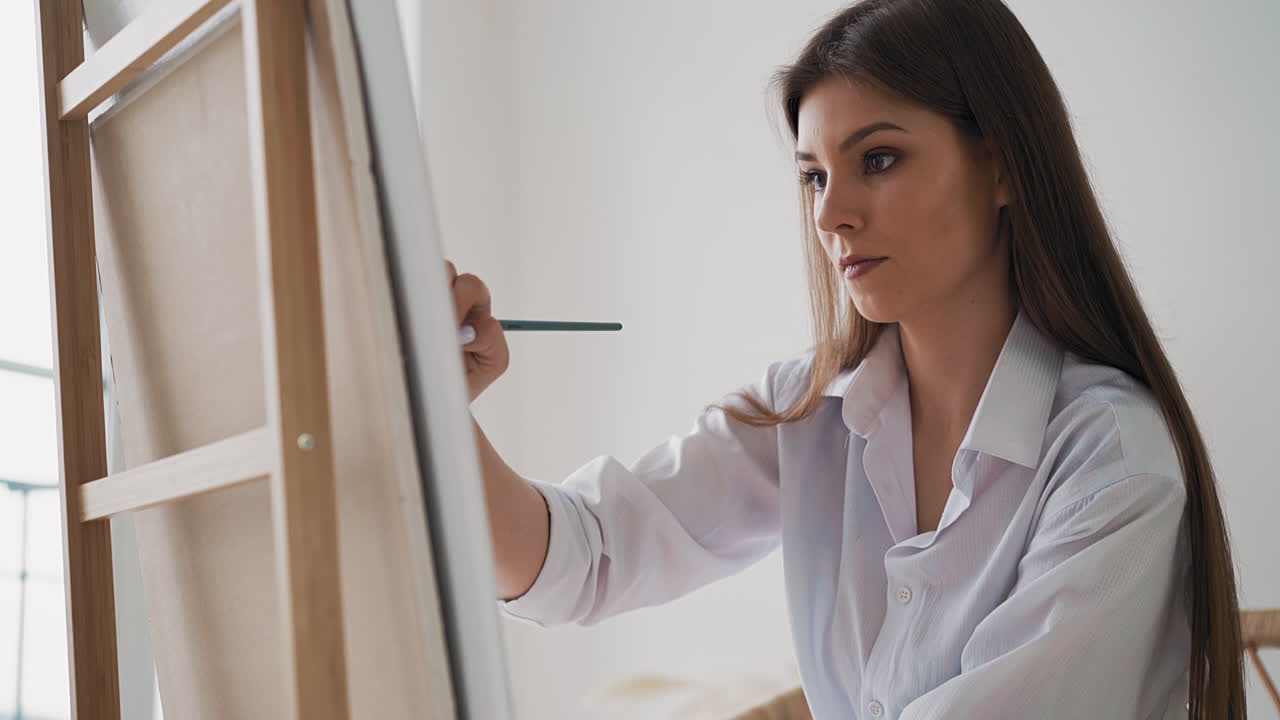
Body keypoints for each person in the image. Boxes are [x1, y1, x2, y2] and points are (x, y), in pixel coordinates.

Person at [447, 0, 1246, 717]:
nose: (832, 214)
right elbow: (581, 557)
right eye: (814, 177)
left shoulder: (1112, 460)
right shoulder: (809, 410)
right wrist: (440, 405)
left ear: (1002, 164)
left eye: (880, 160)